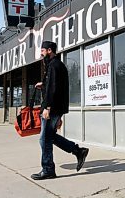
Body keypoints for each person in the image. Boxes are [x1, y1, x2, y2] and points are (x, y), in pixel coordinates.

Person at [31, 41, 89, 180]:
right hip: (56, 107)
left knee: (44, 139)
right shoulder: (58, 65)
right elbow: (52, 86)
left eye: (43, 51)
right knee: (49, 137)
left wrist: (48, 108)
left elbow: (54, 88)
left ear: (49, 50)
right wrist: (43, 85)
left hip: (52, 107)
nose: (41, 53)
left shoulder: (53, 65)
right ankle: (78, 151)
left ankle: (48, 169)